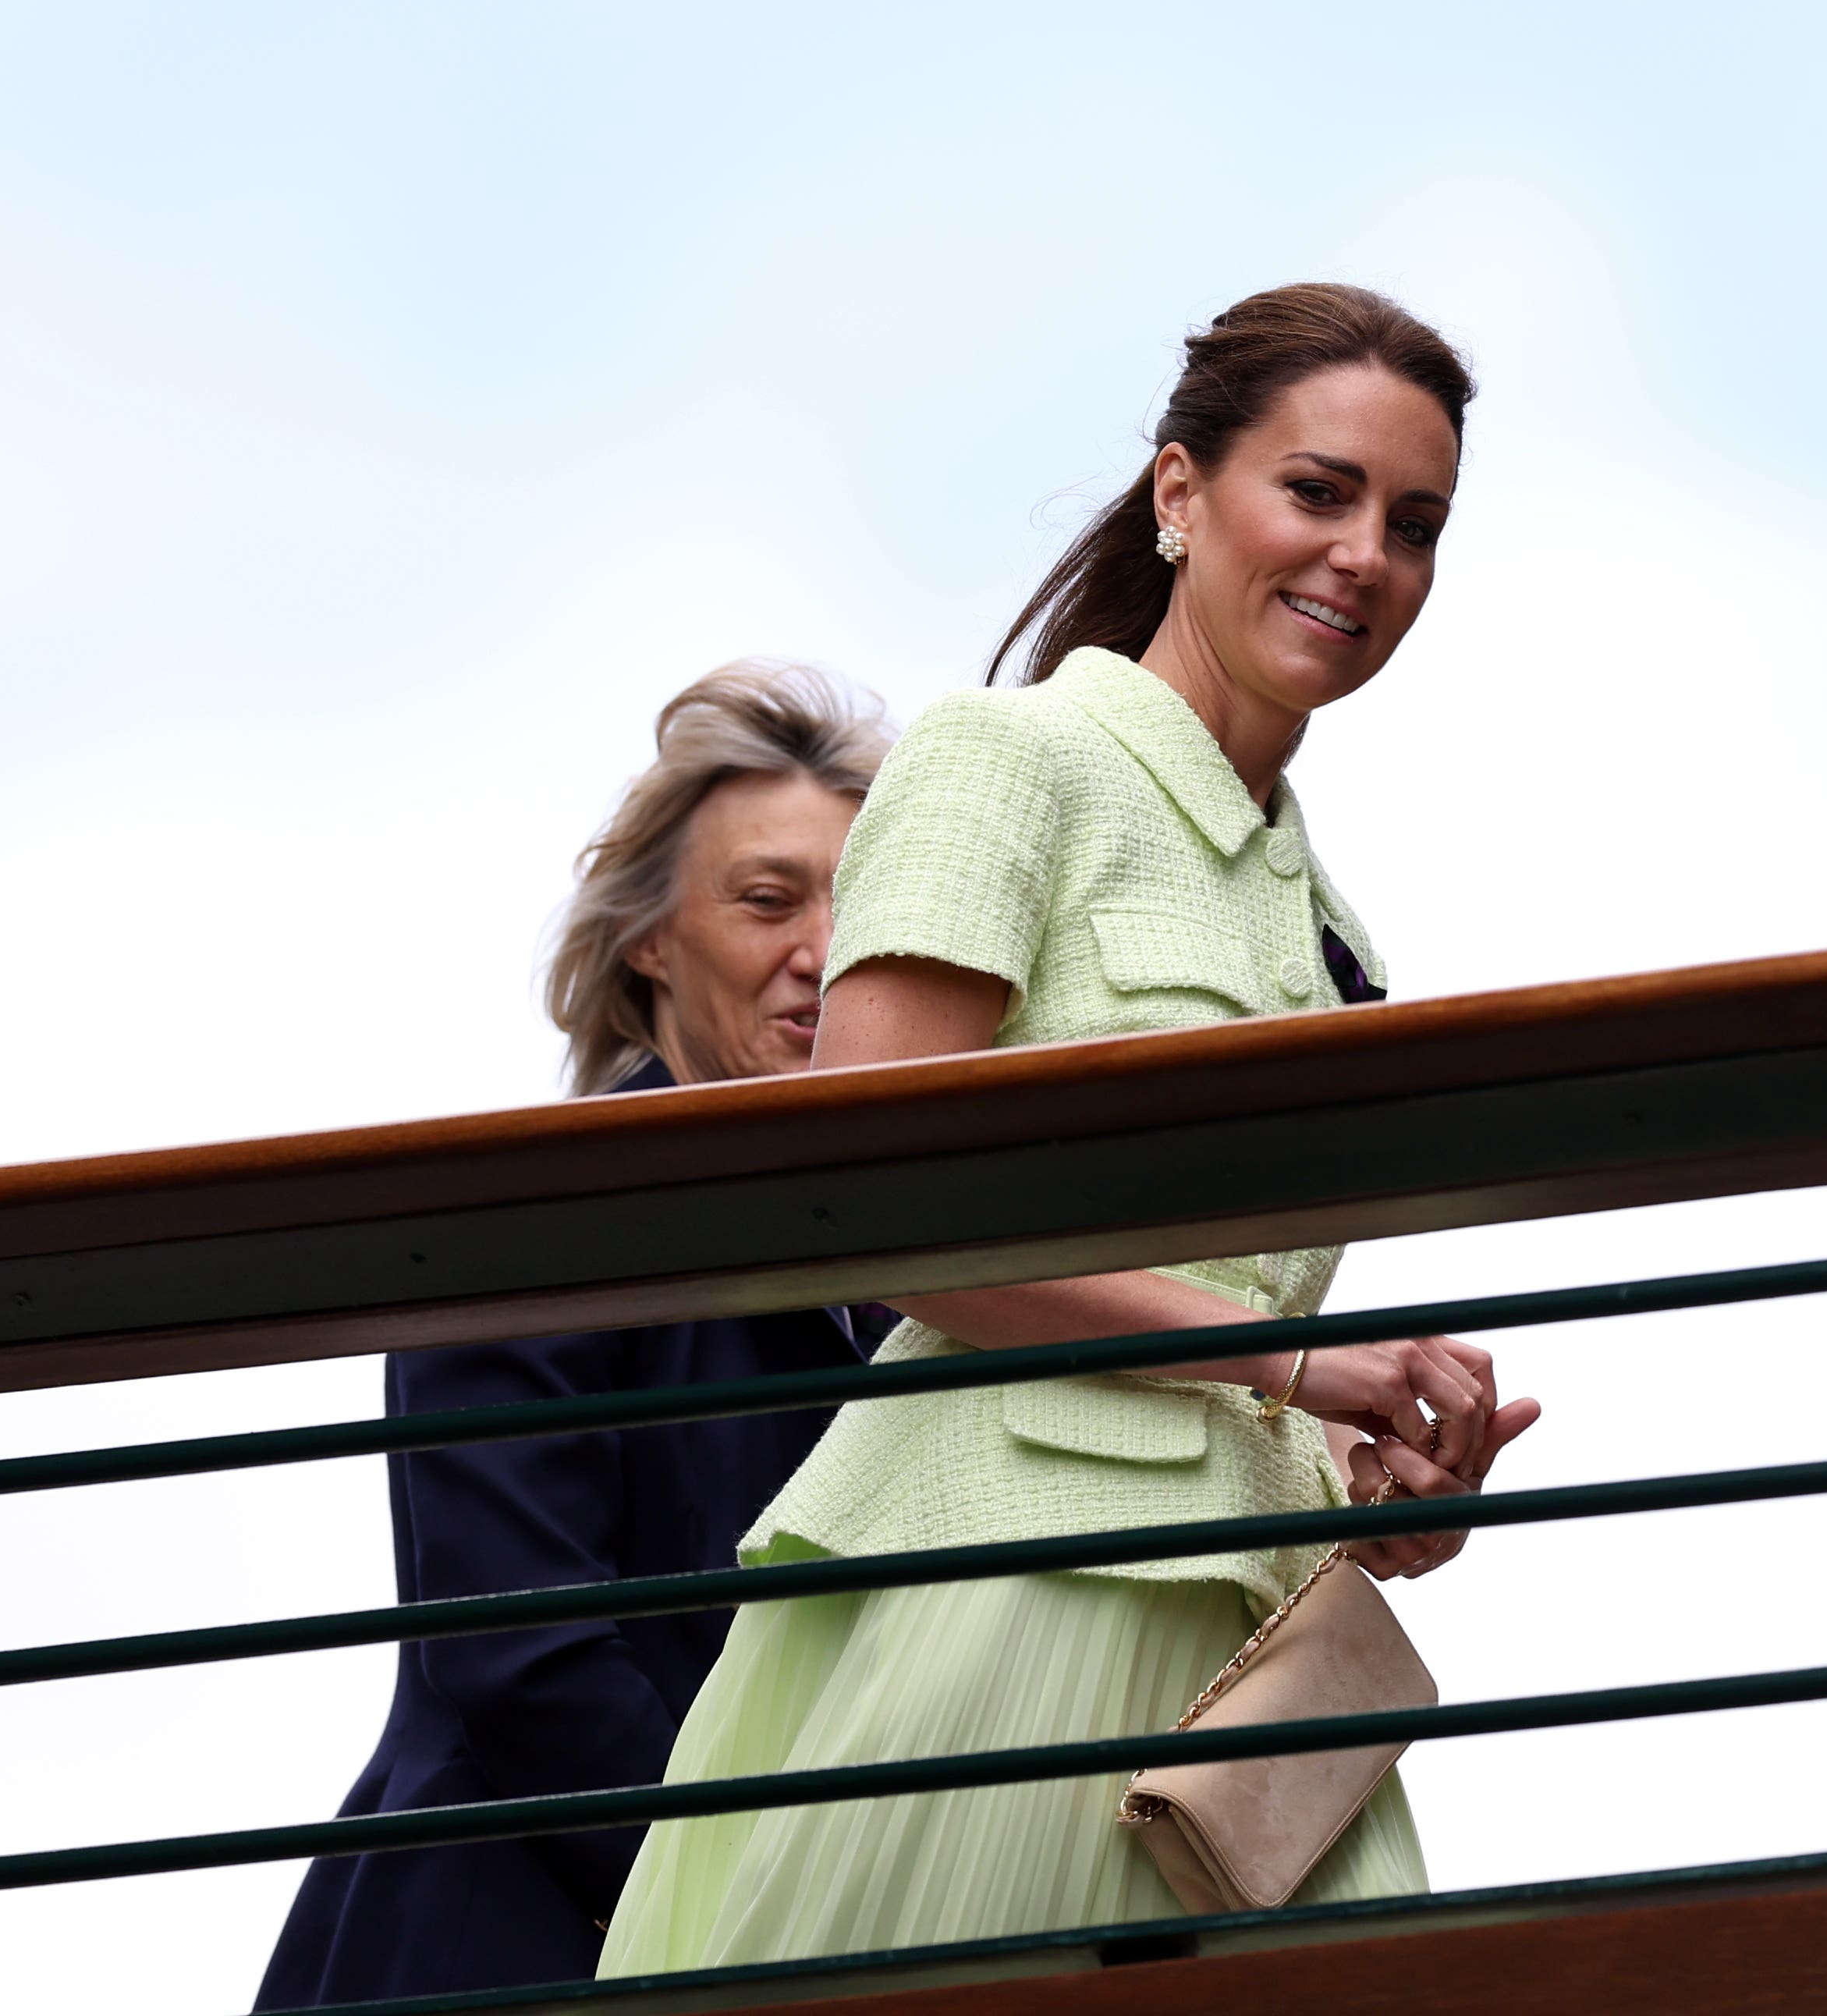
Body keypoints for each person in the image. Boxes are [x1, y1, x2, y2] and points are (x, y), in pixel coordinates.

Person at [597, 284, 1542, 1979]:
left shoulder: (1342, 946)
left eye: (1415, 523)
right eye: (1316, 492)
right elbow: (882, 1210)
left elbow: (1248, 1342)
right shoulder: (1007, 757)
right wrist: (1292, 1364)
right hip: (1013, 1594)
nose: (1364, 557)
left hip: (1249, 1683)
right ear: (1181, 494)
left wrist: (1381, 1479)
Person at [255, 662, 897, 2009]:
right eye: (768, 900)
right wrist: (768, 1910)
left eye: (865, 903)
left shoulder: (932, 1280)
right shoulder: (533, 1218)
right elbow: (525, 1663)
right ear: (649, 942)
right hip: (524, 1941)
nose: (822, 950)